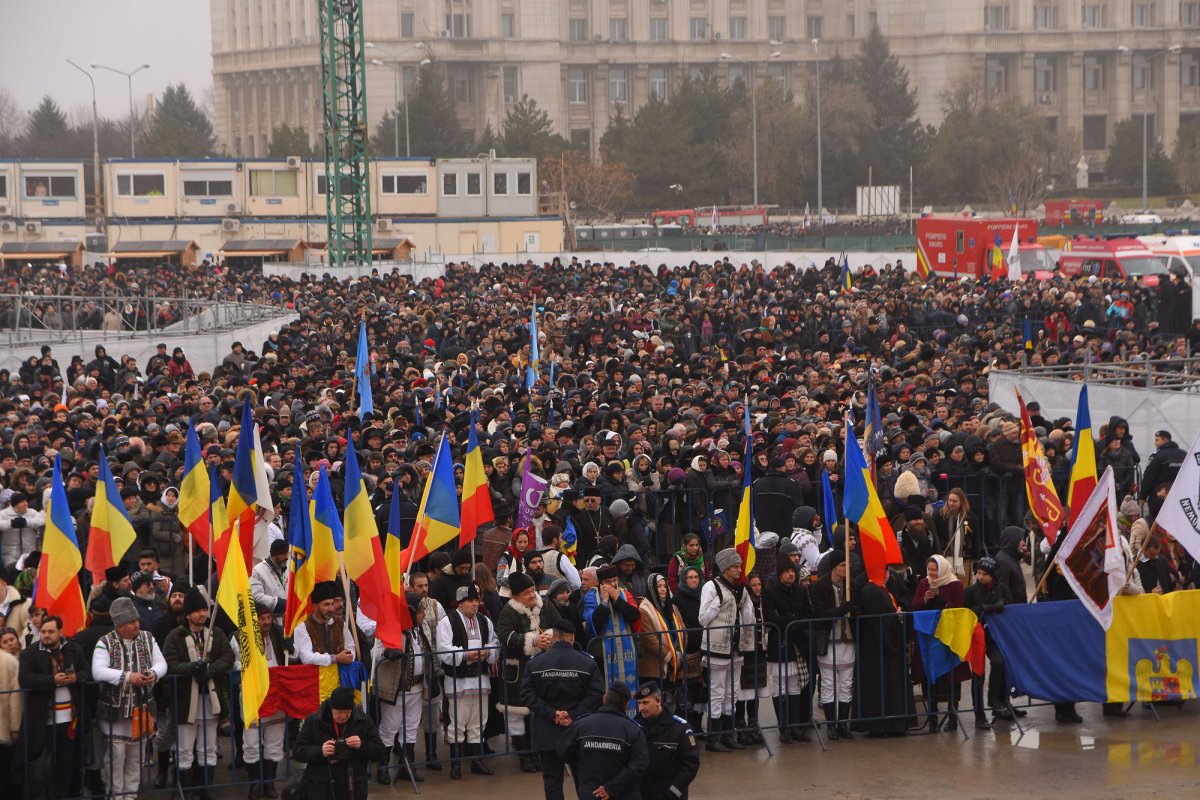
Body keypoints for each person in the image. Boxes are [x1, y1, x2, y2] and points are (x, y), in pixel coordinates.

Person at [91, 596, 168, 800]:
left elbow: (162, 663)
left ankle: (131, 795)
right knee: (116, 755)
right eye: (131, 622)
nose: (136, 624)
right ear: (119, 624)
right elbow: (98, 671)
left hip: (141, 708)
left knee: (137, 755)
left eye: (136, 620)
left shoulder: (147, 638)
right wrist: (127, 677)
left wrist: (153, 673)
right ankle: (116, 794)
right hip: (115, 710)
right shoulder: (105, 642)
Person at [163, 587, 235, 800]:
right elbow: (171, 663)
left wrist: (211, 669)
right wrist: (193, 668)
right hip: (186, 700)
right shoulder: (175, 636)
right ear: (188, 614)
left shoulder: (216, 632)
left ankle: (206, 789)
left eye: (204, 610)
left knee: (209, 747)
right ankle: (185, 789)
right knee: (185, 748)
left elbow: (228, 656)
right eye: (198, 611)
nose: (203, 614)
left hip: (210, 699)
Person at [520, 619, 605, 800]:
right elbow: (596, 695)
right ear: (572, 637)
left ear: (554, 638)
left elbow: (527, 695)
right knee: (584, 780)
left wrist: (552, 713)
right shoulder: (587, 663)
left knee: (552, 782)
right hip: (579, 730)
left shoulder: (535, 664)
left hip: (547, 730)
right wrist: (572, 715)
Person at [17, 614, 90, 797]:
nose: (46, 635)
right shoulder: (29, 653)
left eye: (51, 631)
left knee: (68, 765)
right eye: (43, 631)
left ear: (60, 632)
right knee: (44, 768)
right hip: (43, 722)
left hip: (70, 721)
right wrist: (52, 680)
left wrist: (76, 677)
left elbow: (86, 672)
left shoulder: (74, 649)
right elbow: (25, 679)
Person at [496, 570, 560, 772]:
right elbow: (505, 636)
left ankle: (537, 751)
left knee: (539, 711)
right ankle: (524, 754)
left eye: (533, 590)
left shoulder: (546, 605)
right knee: (517, 713)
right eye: (527, 593)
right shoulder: (508, 611)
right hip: (518, 670)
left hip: (543, 668)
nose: (532, 595)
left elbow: (559, 626)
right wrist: (532, 640)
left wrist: (550, 636)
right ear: (515, 596)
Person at [436, 583, 500, 779]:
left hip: (480, 679)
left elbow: (494, 642)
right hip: (459, 680)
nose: (475, 604)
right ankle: (455, 764)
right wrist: (465, 655)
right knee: (457, 721)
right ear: (460, 602)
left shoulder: (484, 620)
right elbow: (443, 649)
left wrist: (487, 651)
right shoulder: (448, 622)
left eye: (476, 600)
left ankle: (476, 762)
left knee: (478, 721)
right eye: (471, 601)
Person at [373, 596, 436, 786]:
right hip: (397, 690)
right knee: (389, 727)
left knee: (410, 728)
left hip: (416, 688)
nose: (423, 615)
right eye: (419, 611)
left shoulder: (419, 632)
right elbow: (374, 652)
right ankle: (383, 767)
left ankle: (406, 767)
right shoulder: (391, 631)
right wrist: (387, 653)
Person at [698, 547, 755, 752]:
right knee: (717, 691)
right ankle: (714, 738)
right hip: (717, 648)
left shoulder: (741, 588)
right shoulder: (711, 587)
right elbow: (702, 618)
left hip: (736, 647)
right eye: (736, 566)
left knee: (732, 691)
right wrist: (718, 603)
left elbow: (748, 617)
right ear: (725, 568)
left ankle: (728, 734)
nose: (740, 569)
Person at [556, 681, 648, 800]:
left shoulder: (581, 725)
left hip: (591, 793)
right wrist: (612, 788)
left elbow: (562, 751)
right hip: (623, 793)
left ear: (604, 699)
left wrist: (583, 758)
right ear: (627, 704)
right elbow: (639, 765)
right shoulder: (634, 730)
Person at [293, 686, 387, 800]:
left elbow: (380, 751)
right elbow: (298, 751)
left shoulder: (363, 721)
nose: (343, 716)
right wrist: (320, 751)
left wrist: (362, 745)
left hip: (353, 785)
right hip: (321, 786)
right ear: (331, 707)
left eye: (347, 712)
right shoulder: (314, 721)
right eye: (339, 712)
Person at [851, 577, 915, 737]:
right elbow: (878, 619)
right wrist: (895, 620)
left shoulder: (882, 588)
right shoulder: (871, 590)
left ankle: (895, 724)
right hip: (878, 647)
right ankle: (880, 726)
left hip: (885, 646)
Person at [912, 555, 969, 732]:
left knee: (951, 678)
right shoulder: (923, 584)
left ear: (942, 569)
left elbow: (959, 608)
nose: (931, 573)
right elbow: (914, 606)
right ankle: (933, 719)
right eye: (929, 570)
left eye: (934, 570)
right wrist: (925, 600)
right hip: (929, 638)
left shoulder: (955, 584)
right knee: (931, 679)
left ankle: (952, 718)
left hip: (948, 640)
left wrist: (943, 602)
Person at [761, 557, 813, 743]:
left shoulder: (800, 591)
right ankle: (783, 728)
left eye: (793, 571)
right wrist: (791, 619)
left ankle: (794, 727)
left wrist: (789, 620)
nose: (791, 574)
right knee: (780, 687)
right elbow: (770, 618)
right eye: (787, 571)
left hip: (797, 644)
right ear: (780, 574)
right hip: (780, 645)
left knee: (795, 685)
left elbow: (808, 614)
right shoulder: (770, 594)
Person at [244, 601, 290, 799]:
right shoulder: (241, 636)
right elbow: (236, 661)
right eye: (261, 618)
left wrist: (291, 647)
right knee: (252, 743)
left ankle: (269, 783)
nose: (266, 622)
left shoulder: (278, 634)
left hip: (276, 694)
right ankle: (255, 784)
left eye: (268, 618)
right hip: (252, 695)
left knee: (275, 741)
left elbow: (291, 658)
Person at [963, 557, 1016, 727]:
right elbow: (965, 613)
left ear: (992, 575)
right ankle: (979, 715)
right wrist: (980, 609)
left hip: (995, 636)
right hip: (976, 637)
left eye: (984, 574)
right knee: (978, 675)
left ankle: (996, 700)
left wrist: (1004, 605)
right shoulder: (971, 592)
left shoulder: (1002, 589)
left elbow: (1012, 607)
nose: (980, 576)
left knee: (999, 663)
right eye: (978, 573)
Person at [809, 549, 856, 740]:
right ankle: (831, 725)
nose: (846, 569)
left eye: (847, 565)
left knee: (846, 683)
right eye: (842, 565)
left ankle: (843, 724)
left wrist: (854, 610)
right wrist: (839, 610)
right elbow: (819, 613)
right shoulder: (821, 586)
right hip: (828, 641)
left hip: (848, 640)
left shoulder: (852, 585)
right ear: (835, 567)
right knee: (828, 683)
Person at [633, 681, 700, 800]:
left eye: (645, 703)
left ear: (658, 701)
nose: (641, 708)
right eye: (639, 703)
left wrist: (673, 792)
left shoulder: (680, 729)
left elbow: (690, 765)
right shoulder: (633, 727)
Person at [582, 564, 641, 697]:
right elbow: (592, 623)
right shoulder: (592, 596)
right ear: (601, 583)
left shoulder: (624, 593)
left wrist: (617, 600)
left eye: (615, 580)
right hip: (603, 654)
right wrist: (604, 602)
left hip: (628, 650)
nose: (614, 584)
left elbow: (635, 616)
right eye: (609, 582)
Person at [636, 573, 686, 700]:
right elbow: (650, 640)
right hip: (654, 666)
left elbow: (683, 631)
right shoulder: (644, 610)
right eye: (658, 586)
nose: (663, 589)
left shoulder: (673, 608)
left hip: (676, 662)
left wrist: (679, 653)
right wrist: (670, 656)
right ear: (651, 588)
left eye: (665, 586)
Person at [294, 581, 356, 666]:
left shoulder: (339, 622)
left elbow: (350, 647)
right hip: (315, 677)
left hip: (338, 675)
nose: (331, 609)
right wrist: (335, 658)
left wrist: (348, 656)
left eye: (332, 604)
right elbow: (306, 657)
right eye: (326, 605)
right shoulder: (303, 626)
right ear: (315, 607)